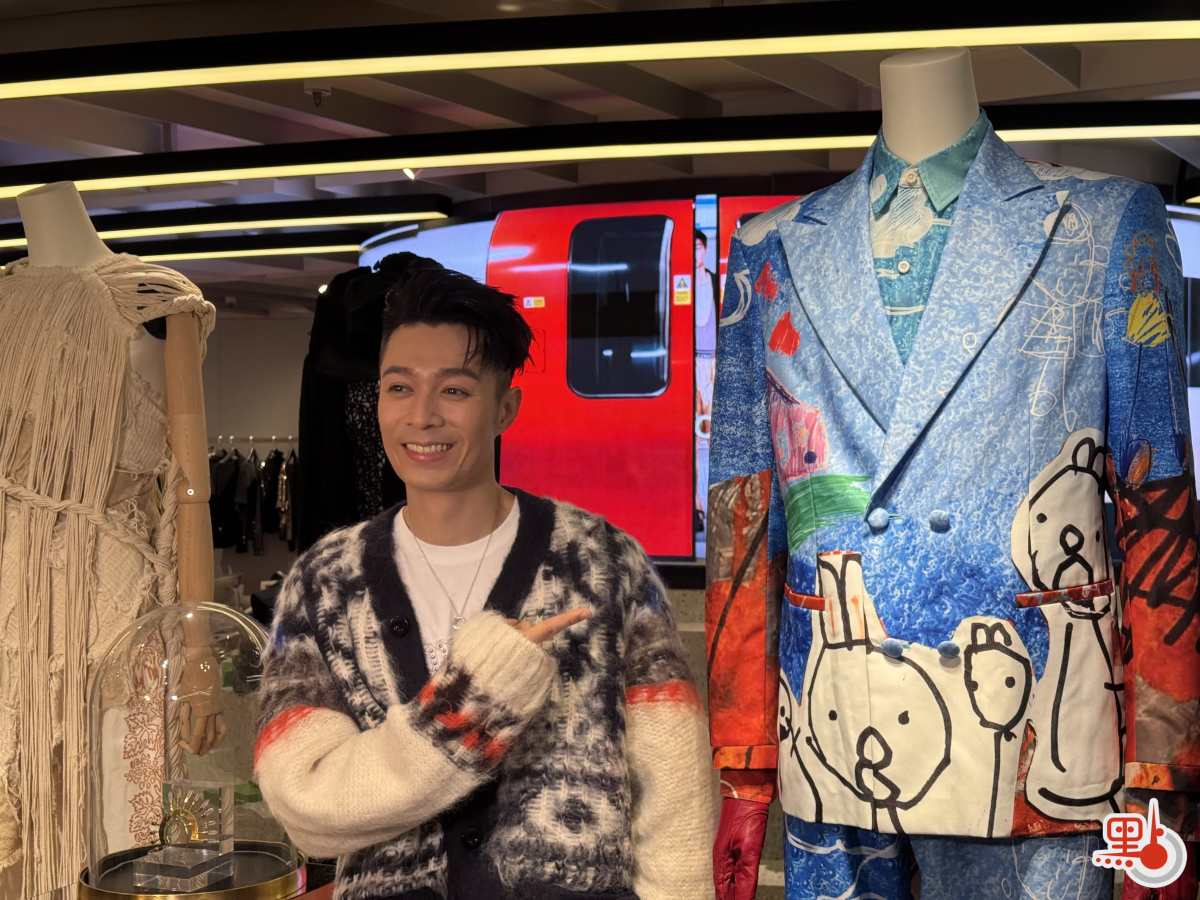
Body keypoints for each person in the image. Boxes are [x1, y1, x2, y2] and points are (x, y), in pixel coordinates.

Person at [254, 252, 715, 900]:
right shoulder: (325, 582)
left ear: (505, 408)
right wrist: (478, 702)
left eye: (455, 390)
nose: (422, 416)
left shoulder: (604, 563)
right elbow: (308, 808)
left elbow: (675, 801)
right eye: (399, 387)